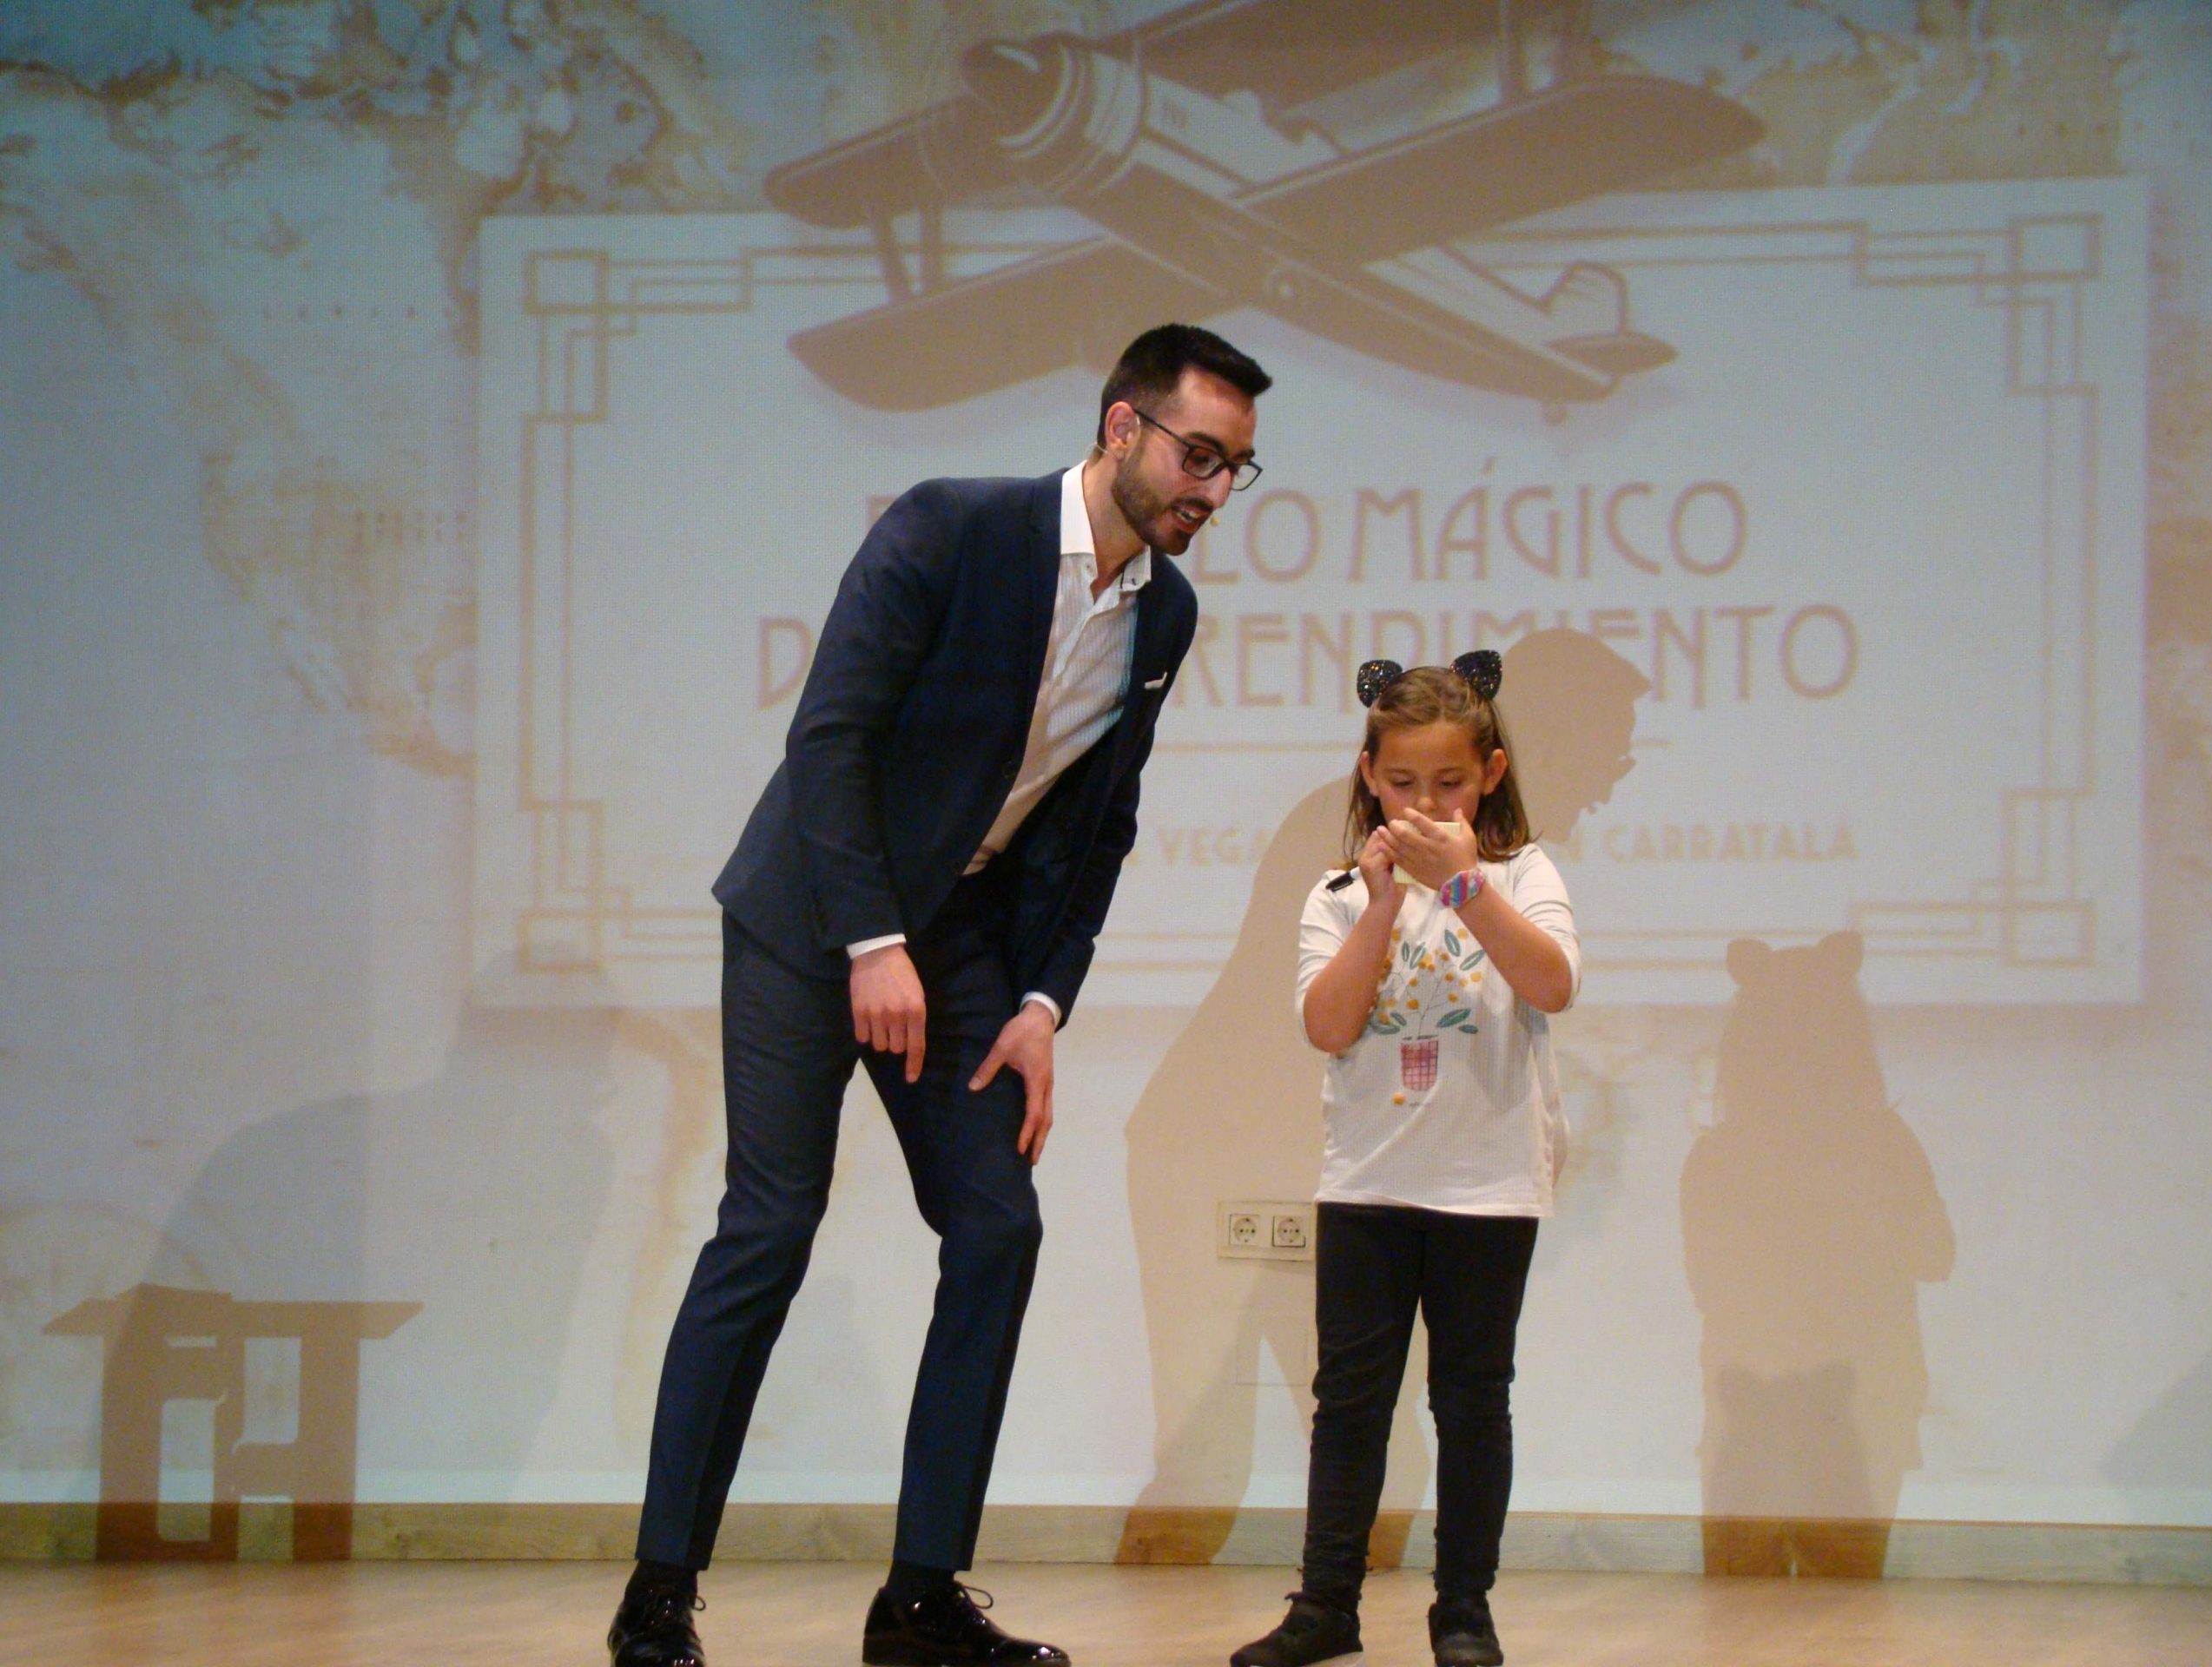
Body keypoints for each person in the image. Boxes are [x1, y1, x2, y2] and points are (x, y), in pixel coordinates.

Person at [605, 323, 1270, 1667]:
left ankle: (918, 1600)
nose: (1212, 488)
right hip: (812, 915)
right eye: (1198, 455)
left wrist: (1042, 1002)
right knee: (770, 1228)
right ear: (1122, 428)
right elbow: (830, 737)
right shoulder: (952, 528)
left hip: (959, 942)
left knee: (998, 1225)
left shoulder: (1165, 614)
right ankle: (659, 1590)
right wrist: (869, 939)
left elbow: (1101, 824)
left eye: (1235, 469)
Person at [1231, 653, 1579, 1667]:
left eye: (1450, 782)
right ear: (1369, 777)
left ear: (1491, 774)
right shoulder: (1339, 893)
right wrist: (1384, 905)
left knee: (1470, 1401)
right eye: (1402, 782)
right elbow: (1328, 1025)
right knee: (1349, 1402)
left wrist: (1462, 883)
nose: (1425, 803)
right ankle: (1325, 1606)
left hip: (1488, 1186)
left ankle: (1463, 1610)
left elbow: (1551, 984)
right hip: (1368, 1184)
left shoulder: (1521, 875)